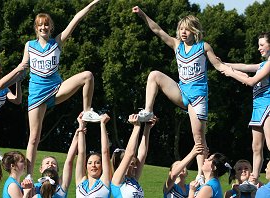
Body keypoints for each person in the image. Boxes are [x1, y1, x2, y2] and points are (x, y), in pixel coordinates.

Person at [132, 6, 229, 184]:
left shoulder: (203, 47)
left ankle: (201, 174)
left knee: (199, 137)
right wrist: (142, 14)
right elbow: (157, 30)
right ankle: (148, 111)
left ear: (194, 31)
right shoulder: (177, 45)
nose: (183, 32)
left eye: (187, 29)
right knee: (154, 75)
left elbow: (219, 65)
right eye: (181, 29)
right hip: (181, 91)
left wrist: (237, 73)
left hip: (198, 98)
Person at [21, 0, 102, 177]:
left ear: (51, 27)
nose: (43, 27)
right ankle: (28, 174)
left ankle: (87, 110)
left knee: (87, 75)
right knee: (34, 137)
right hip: (36, 94)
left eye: (46, 24)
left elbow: (75, 19)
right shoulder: (29, 45)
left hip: (56, 88)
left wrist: (92, 4)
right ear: (36, 28)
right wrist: (6, 83)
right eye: (40, 25)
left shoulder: (57, 42)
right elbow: (22, 67)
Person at [221, 32, 270, 184]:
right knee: (256, 147)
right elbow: (245, 67)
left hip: (268, 106)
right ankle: (254, 179)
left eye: (262, 45)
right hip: (257, 109)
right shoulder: (262, 64)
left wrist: (230, 73)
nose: (259, 48)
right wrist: (224, 64)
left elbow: (251, 81)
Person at [111, 114, 157, 198]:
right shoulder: (117, 180)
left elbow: (142, 155)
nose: (135, 167)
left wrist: (147, 128)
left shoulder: (133, 179)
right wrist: (136, 127)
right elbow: (129, 154)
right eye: (132, 164)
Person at [34, 115, 80, 197]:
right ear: (40, 169)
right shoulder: (34, 187)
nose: (50, 164)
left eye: (53, 163)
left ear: (57, 169)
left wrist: (77, 135)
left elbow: (69, 161)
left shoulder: (62, 186)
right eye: (47, 163)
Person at [75, 113, 111, 197]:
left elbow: (105, 152)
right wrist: (81, 124)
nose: (93, 165)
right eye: (90, 163)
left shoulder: (104, 181)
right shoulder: (81, 182)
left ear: (102, 166)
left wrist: (102, 124)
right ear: (86, 165)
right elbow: (81, 153)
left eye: (97, 162)